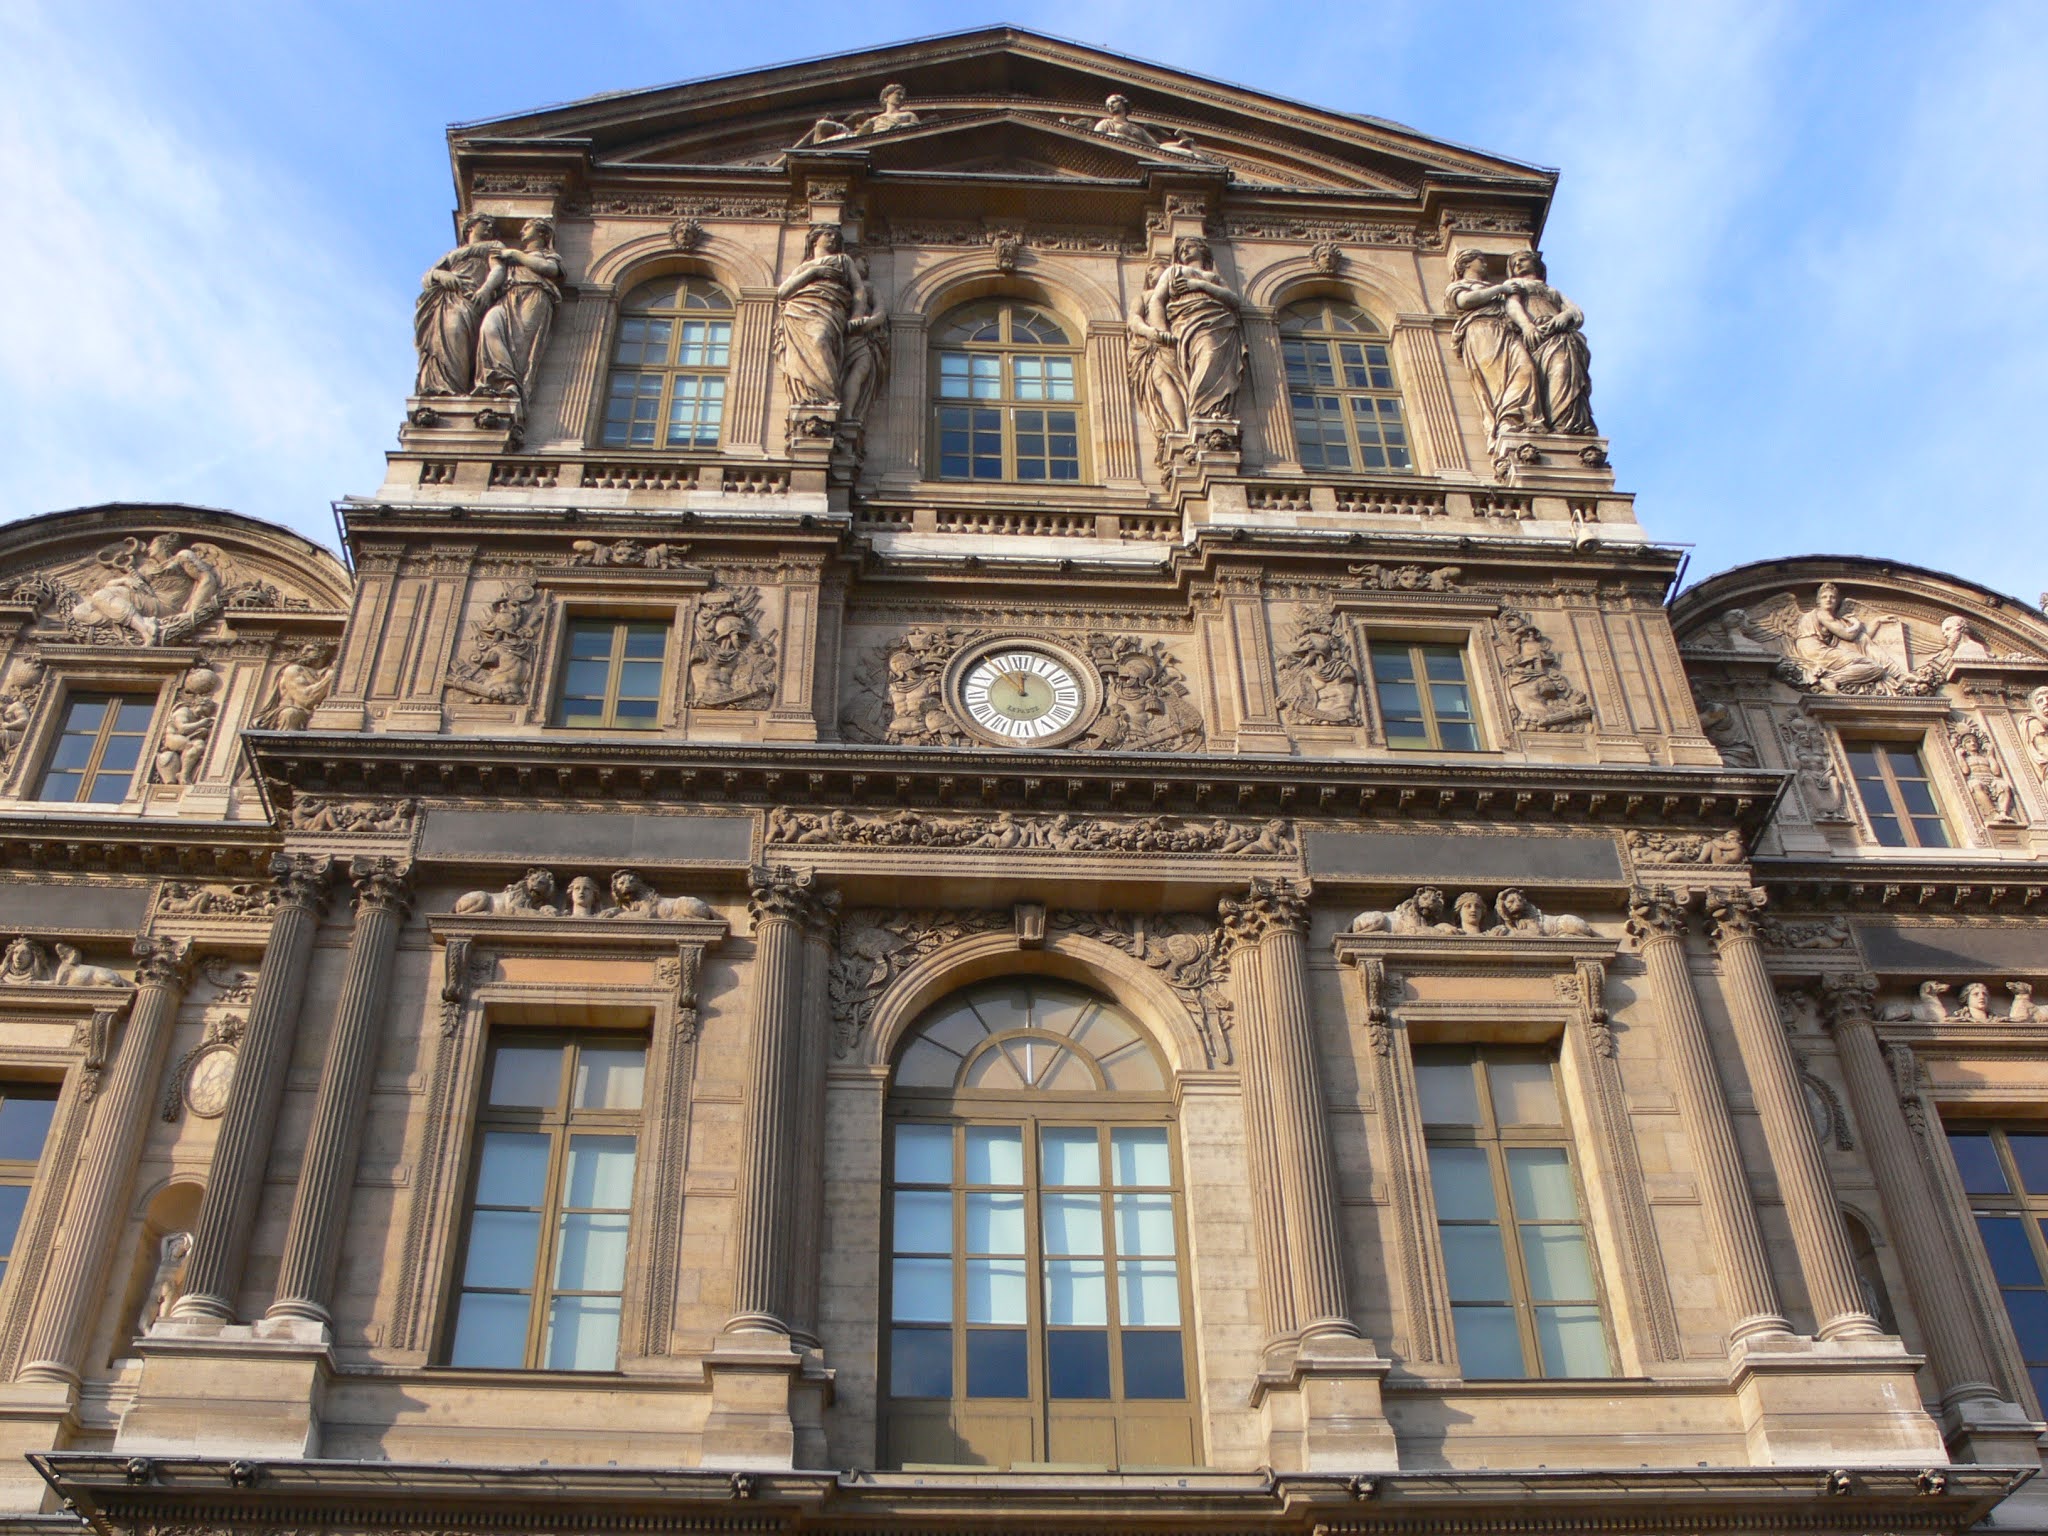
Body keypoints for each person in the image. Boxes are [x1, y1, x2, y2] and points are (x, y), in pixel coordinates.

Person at [1143, 236, 1244, 421]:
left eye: (1190, 246)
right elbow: (1156, 301)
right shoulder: (1174, 271)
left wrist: (1199, 285)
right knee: (1207, 356)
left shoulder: (1213, 277)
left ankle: (1213, 410)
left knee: (1217, 362)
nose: (1185, 250)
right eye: (1181, 248)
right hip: (1188, 321)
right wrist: (1161, 330)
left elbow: (1233, 300)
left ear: (1202, 249)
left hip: (1219, 321)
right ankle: (1200, 411)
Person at [1445, 249, 1539, 446]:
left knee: (1526, 368)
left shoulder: (1495, 287)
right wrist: (1500, 289)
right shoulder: (1460, 286)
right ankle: (1506, 421)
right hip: (1482, 331)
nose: (1485, 264)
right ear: (1466, 264)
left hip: (1505, 331)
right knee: (1497, 380)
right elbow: (1465, 301)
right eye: (1480, 260)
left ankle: (1519, 417)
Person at [775, 224, 869, 409]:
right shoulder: (805, 267)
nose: (832, 238)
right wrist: (814, 272)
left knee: (820, 339)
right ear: (814, 240)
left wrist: (857, 314)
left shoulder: (843, 260)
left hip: (830, 308)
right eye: (828, 234)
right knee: (801, 353)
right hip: (799, 310)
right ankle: (811, 396)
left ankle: (826, 396)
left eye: (835, 236)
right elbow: (783, 291)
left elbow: (859, 289)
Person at [1504, 249, 1595, 435]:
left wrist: (1564, 316)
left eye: (1523, 260)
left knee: (1565, 372)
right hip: (1536, 335)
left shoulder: (1552, 290)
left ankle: (1567, 423)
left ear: (1536, 264)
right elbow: (1512, 305)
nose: (1518, 264)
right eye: (1514, 263)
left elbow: (1575, 311)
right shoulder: (1515, 284)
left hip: (1560, 336)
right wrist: (1526, 326)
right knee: (1548, 375)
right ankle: (1554, 420)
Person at [474, 218, 564, 405]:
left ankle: (511, 386)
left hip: (533, 295)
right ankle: (497, 379)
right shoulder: (508, 257)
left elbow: (550, 269)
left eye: (527, 227)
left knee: (520, 344)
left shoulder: (547, 255)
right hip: (507, 297)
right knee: (489, 327)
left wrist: (516, 254)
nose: (522, 231)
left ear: (542, 233)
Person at [412, 214, 502, 395]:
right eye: (485, 223)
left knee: (456, 331)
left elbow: (498, 269)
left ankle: (457, 387)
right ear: (470, 227)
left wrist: (485, 290)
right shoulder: (452, 254)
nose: (489, 227)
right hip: (445, 297)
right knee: (441, 338)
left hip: (471, 297)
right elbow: (428, 276)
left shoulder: (493, 246)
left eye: (491, 225)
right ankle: (443, 387)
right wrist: (440, 275)